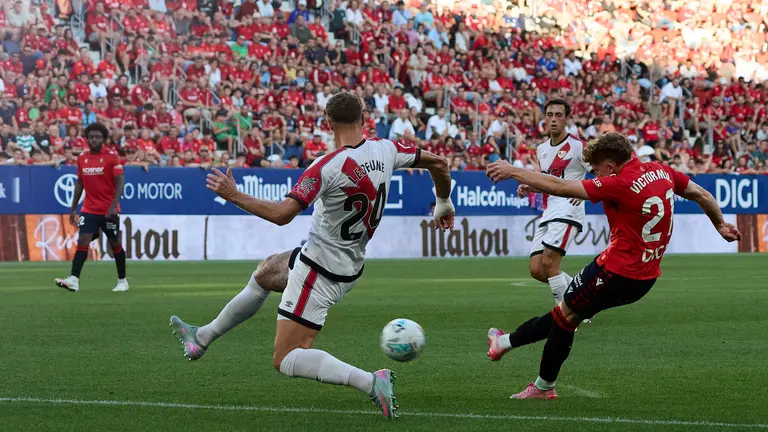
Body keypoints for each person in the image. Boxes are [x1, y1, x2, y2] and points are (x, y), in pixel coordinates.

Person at [169, 92, 455, 419]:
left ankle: (371, 382)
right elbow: (439, 163)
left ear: (328, 123)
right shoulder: (386, 149)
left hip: (319, 271)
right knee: (266, 272)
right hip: (345, 261)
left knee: (286, 357)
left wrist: (233, 195)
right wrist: (443, 203)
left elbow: (282, 214)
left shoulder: (326, 166)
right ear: (364, 118)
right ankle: (201, 337)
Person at [485, 132, 740, 399]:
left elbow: (560, 187)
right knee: (567, 314)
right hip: (645, 279)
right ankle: (505, 344)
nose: (595, 175)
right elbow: (701, 193)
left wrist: (513, 170)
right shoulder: (662, 171)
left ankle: (540, 383)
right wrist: (720, 225)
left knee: (564, 318)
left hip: (614, 272)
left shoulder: (619, 183)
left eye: (596, 170)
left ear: (610, 166)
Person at [518, 99, 591, 309]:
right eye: (549, 115)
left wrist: (584, 191)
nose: (553, 119)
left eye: (558, 115)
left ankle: (566, 314)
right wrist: (531, 187)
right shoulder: (542, 149)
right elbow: (549, 182)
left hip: (569, 209)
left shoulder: (578, 146)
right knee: (537, 269)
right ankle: (584, 296)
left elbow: (601, 172)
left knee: (550, 263)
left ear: (567, 119)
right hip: (549, 211)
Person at [55, 123, 128, 293]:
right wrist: (73, 208)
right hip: (89, 208)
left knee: (114, 243)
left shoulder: (112, 157)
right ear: (86, 139)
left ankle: (122, 281)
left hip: (108, 210)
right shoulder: (82, 158)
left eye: (98, 137)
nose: (94, 140)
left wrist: (113, 206)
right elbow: (79, 183)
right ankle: (73, 280)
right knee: (83, 240)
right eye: (91, 137)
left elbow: (120, 183)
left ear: (103, 139)